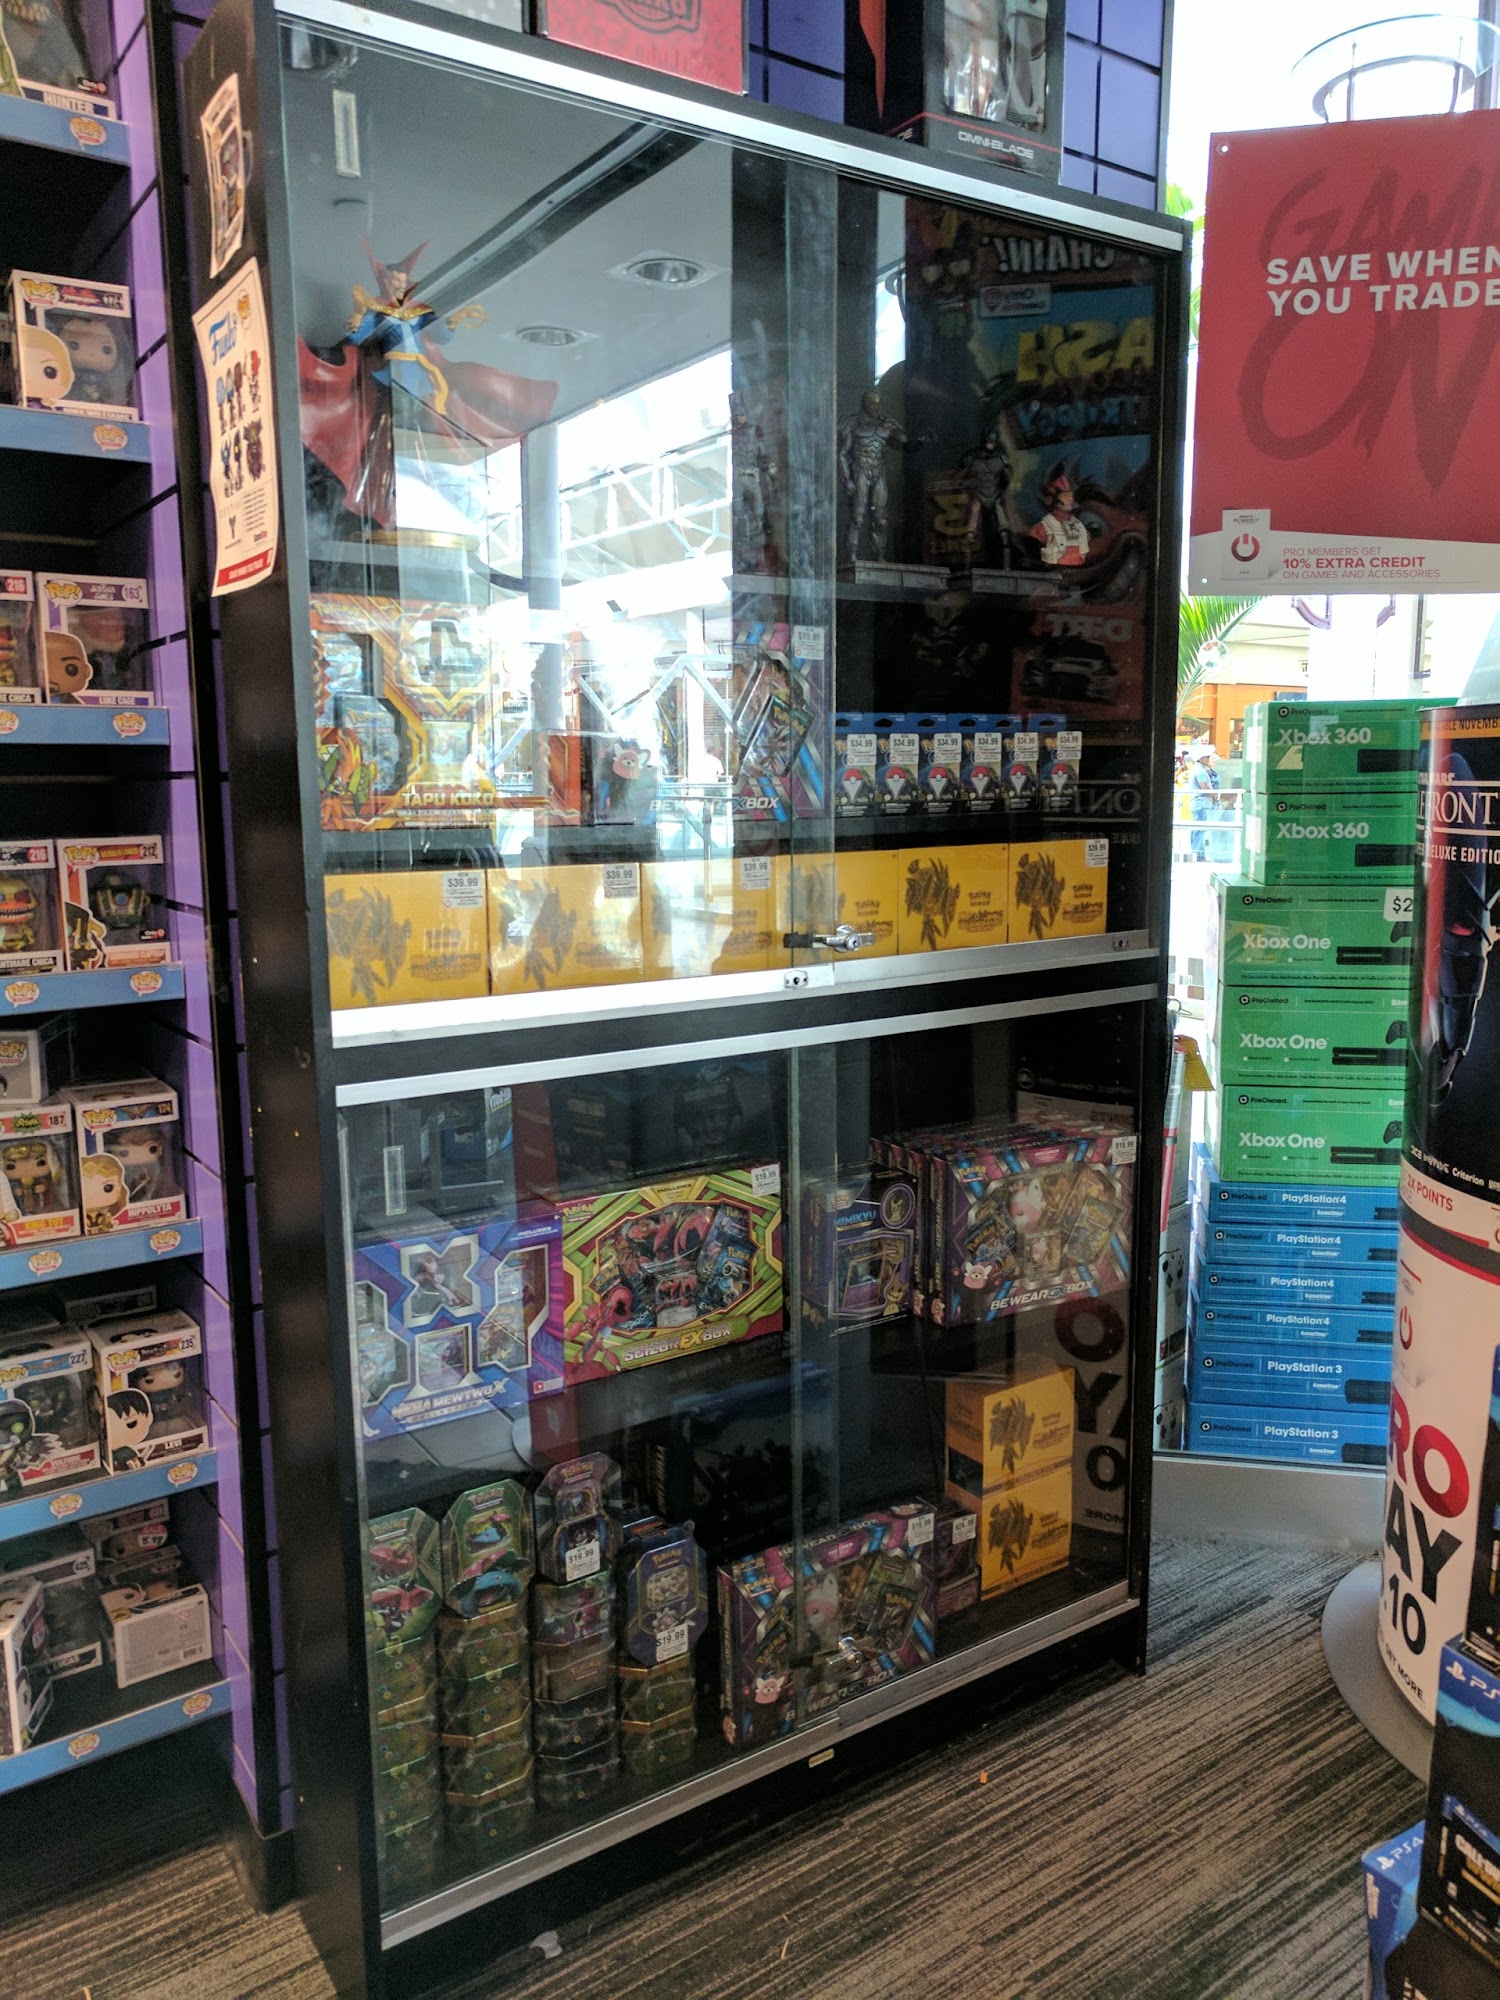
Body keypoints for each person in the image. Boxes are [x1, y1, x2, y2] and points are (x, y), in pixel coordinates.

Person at [1188, 742, 1220, 861]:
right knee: (1200, 829)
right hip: (1201, 804)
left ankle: (1196, 853)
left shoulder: (1197, 769)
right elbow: (1204, 787)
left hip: (1198, 804)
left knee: (1197, 829)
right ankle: (1199, 855)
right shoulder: (1200, 771)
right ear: (1201, 758)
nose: (1209, 759)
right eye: (1207, 757)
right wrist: (1215, 797)